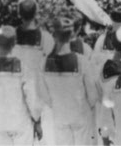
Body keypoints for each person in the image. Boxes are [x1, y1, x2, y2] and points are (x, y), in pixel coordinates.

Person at [36, 17, 102, 146]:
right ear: (71, 35)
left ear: (53, 35)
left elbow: (43, 95)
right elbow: (93, 96)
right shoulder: (82, 61)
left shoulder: (43, 63)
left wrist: (57, 105)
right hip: (81, 115)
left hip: (59, 115)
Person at [0, 26, 44, 146]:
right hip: (21, 123)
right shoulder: (22, 66)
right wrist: (37, 121)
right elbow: (32, 99)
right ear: (14, 43)